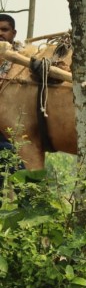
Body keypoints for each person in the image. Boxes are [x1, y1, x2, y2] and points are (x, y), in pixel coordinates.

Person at [0, 14, 25, 202]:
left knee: (27, 192)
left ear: (13, 33)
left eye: (4, 30)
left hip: (17, 133)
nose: (0, 34)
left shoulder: (23, 60)